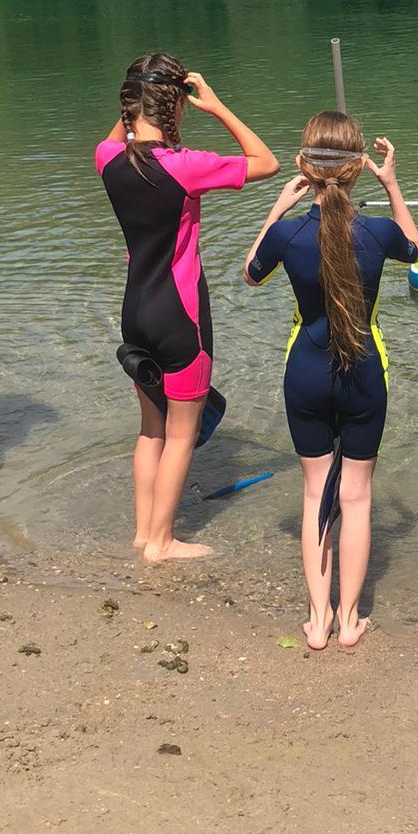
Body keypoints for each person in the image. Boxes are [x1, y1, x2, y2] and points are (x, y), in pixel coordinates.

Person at [244, 113, 418, 649]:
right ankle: (349, 621)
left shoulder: (288, 234)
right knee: (358, 498)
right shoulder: (377, 232)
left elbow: (251, 273)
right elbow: (415, 248)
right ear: (359, 167)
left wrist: (278, 209)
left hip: (305, 373)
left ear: (303, 166)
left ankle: (317, 621)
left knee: (315, 492)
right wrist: (391, 185)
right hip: (364, 373)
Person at [98, 55, 278, 561]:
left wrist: (141, 91)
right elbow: (266, 162)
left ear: (129, 104)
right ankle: (162, 542)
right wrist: (216, 107)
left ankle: (143, 532)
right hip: (180, 314)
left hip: (134, 311)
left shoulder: (107, 158)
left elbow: (121, 134)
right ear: (174, 103)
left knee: (150, 429)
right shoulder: (185, 166)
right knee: (182, 434)